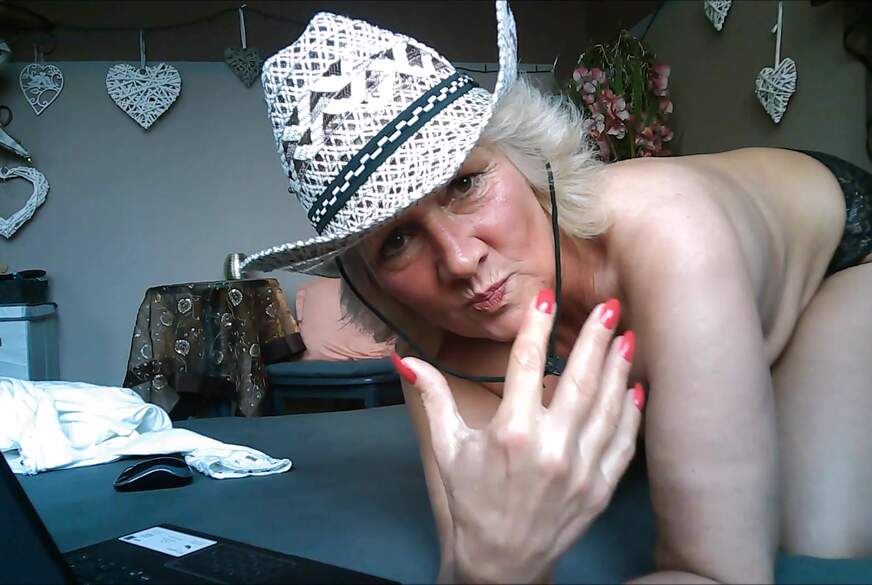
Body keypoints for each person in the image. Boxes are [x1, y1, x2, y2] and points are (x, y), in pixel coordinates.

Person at [242, 2, 872, 583]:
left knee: (813, 552)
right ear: (369, 282)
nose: (460, 260)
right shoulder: (434, 351)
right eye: (397, 240)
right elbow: (477, 555)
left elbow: (717, 572)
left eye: (464, 185)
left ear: (528, 159)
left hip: (841, 262)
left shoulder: (673, 234)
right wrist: (492, 567)